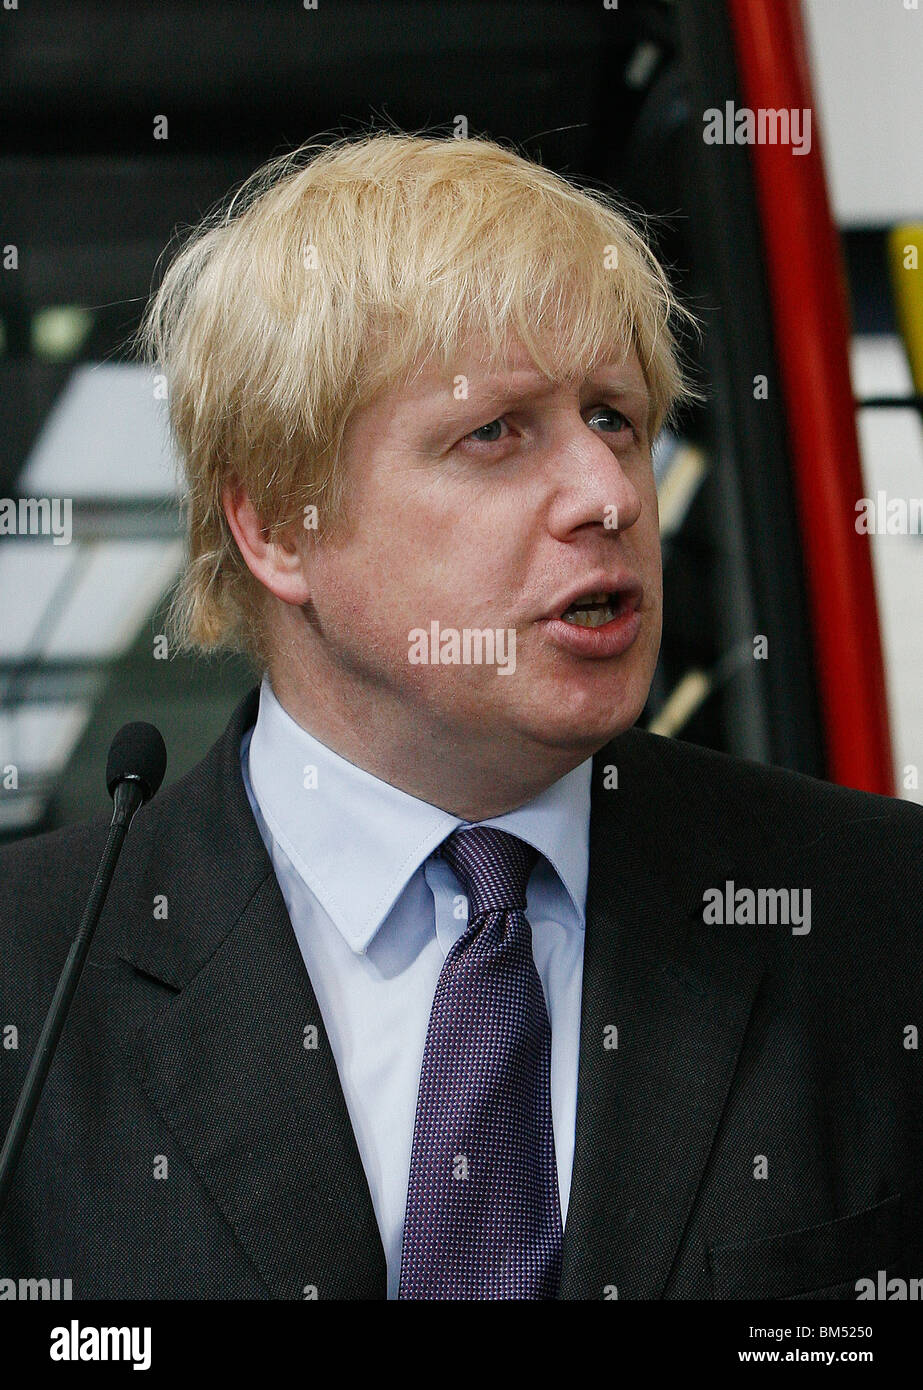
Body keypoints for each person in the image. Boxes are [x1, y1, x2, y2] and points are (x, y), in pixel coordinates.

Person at [1, 132, 920, 1301]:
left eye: (615, 419)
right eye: (494, 432)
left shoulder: (877, 915)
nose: (606, 494)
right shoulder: (31, 979)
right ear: (279, 528)